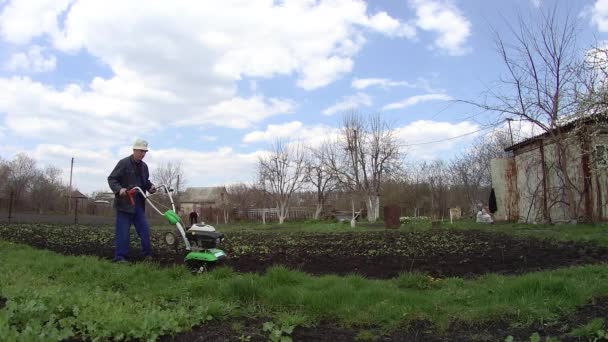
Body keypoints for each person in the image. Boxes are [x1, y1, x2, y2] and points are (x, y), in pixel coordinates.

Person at [107, 138, 156, 262]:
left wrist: (150, 187)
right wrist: (119, 189)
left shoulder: (144, 167)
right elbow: (112, 179)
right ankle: (120, 257)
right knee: (123, 232)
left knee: (144, 230)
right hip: (124, 204)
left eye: (145, 152)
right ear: (134, 150)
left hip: (139, 204)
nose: (143, 154)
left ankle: (147, 254)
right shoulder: (123, 163)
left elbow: (145, 182)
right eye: (141, 151)